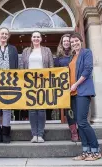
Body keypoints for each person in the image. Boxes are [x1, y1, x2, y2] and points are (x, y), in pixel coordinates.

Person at [69, 32, 101, 161]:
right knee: (79, 123)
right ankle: (86, 151)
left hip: (83, 91)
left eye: (76, 40)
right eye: (72, 42)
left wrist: (75, 84)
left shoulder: (86, 52)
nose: (74, 43)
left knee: (82, 122)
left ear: (81, 41)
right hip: (73, 93)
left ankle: (96, 151)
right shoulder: (73, 57)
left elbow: (87, 70)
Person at [20, 31, 53, 143]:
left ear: (41, 39)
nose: (36, 38)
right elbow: (21, 68)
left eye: (38, 37)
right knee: (32, 109)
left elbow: (51, 67)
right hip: (29, 83)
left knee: (42, 109)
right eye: (34, 37)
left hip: (43, 83)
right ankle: (34, 135)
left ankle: (40, 134)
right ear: (31, 39)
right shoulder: (25, 51)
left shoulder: (47, 50)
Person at [54, 34, 79, 142]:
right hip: (65, 89)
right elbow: (55, 72)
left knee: (79, 110)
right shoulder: (58, 57)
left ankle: (81, 130)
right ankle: (74, 133)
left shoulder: (77, 54)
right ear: (61, 43)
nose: (66, 42)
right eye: (64, 41)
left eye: (68, 41)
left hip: (77, 86)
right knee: (70, 111)